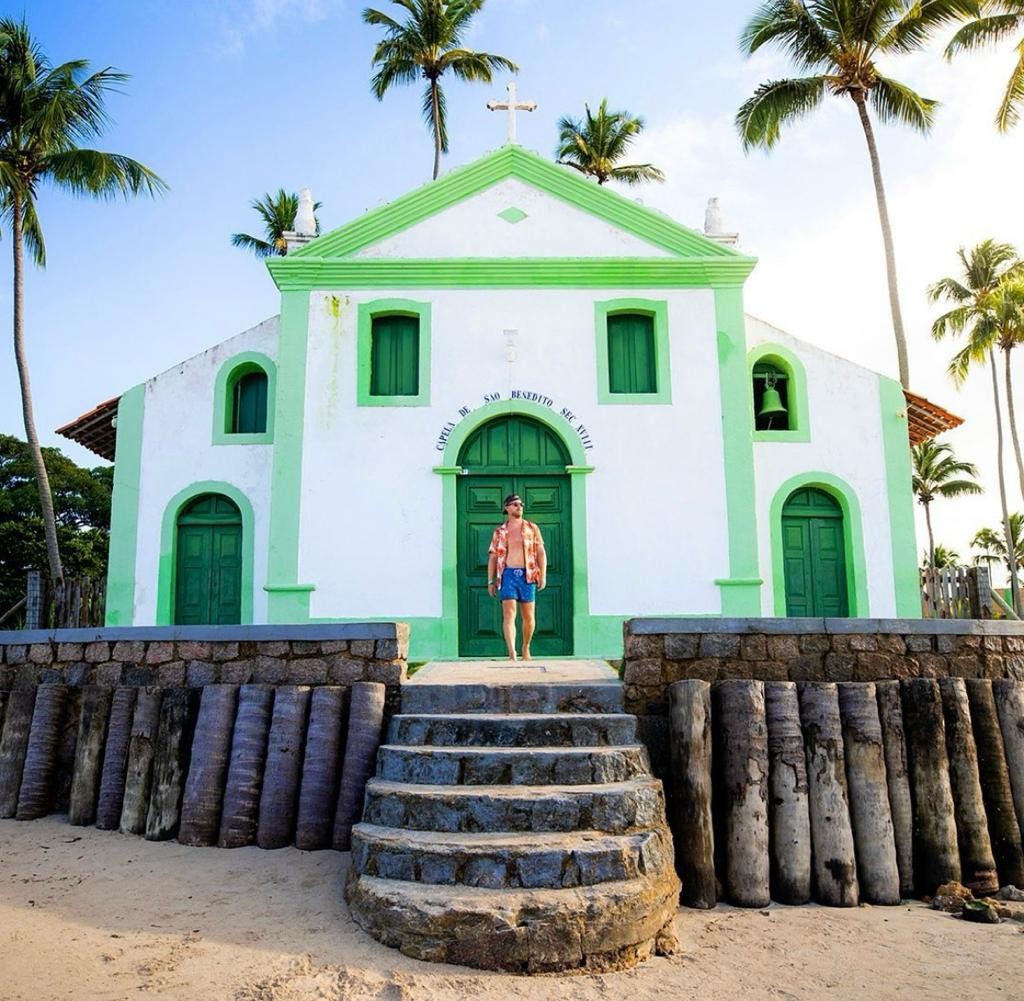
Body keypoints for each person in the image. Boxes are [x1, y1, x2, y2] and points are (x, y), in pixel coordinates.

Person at [486, 493, 546, 661]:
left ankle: (526, 648)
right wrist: (490, 581)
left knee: (529, 617)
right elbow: (493, 557)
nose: (519, 507)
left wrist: (543, 574)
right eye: (514, 504)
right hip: (508, 574)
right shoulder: (500, 531)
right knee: (509, 614)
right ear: (507, 508)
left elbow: (541, 552)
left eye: (520, 504)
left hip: (528, 574)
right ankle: (512, 652)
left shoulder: (532, 528)